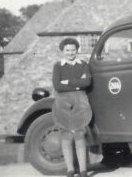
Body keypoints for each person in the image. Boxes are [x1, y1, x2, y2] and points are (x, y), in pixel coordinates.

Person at [52, 38, 92, 177]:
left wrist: (68, 82)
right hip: (63, 102)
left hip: (80, 100)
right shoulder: (58, 66)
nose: (70, 53)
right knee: (66, 134)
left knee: (80, 133)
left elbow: (87, 82)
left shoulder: (83, 64)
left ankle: (83, 170)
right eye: (67, 50)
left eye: (73, 50)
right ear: (63, 51)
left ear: (77, 50)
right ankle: (70, 169)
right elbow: (57, 86)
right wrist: (77, 83)